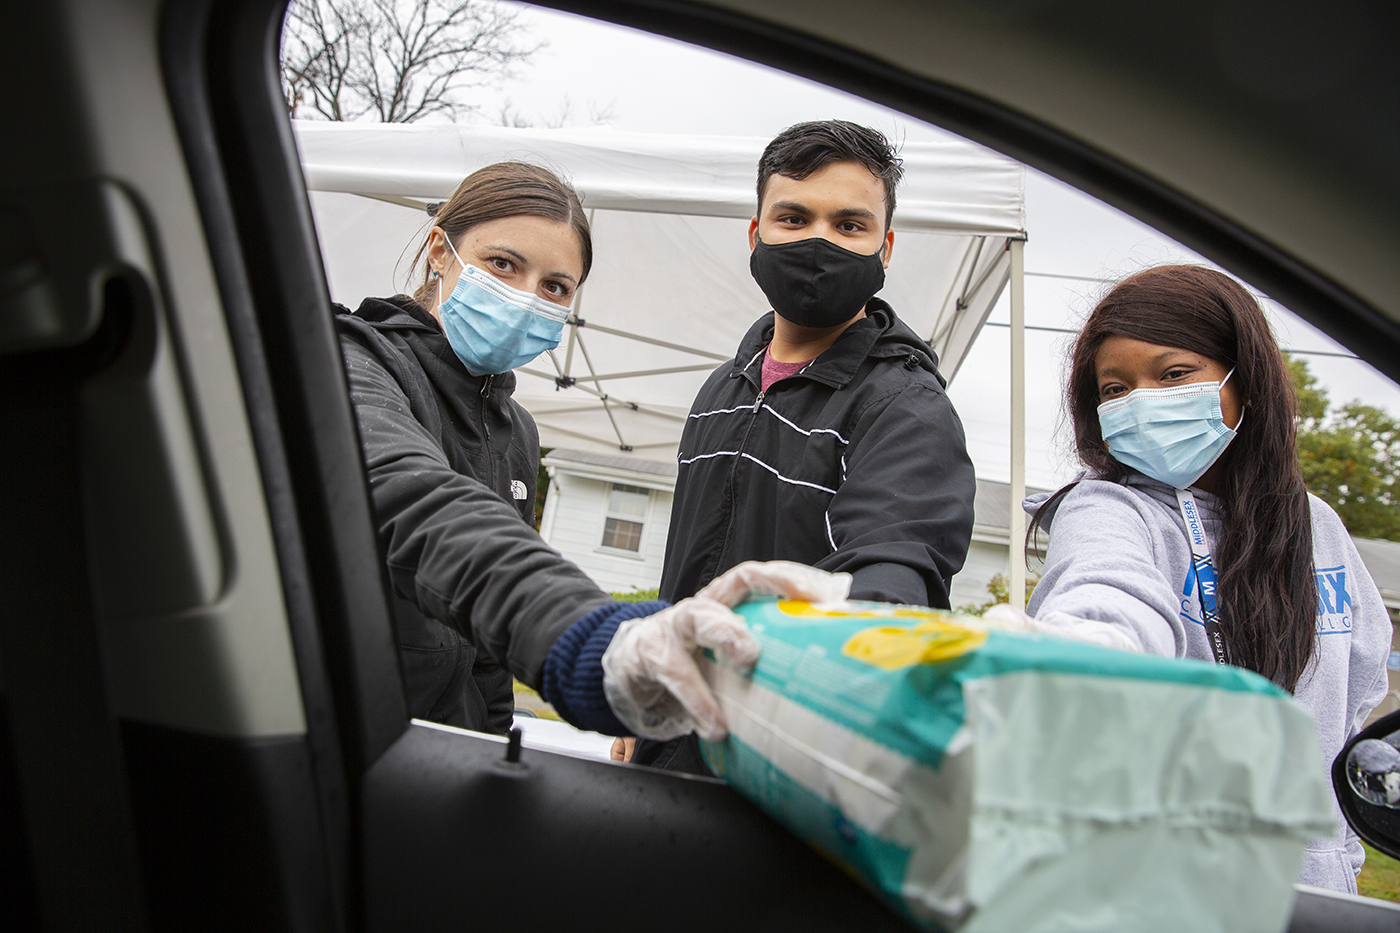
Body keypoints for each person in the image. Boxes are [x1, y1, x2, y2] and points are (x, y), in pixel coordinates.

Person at [334, 160, 850, 745]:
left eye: (555, 286)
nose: (526, 297)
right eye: (503, 264)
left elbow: (486, 657)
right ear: (438, 250)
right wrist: (595, 638)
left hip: (446, 756)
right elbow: (416, 505)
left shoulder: (516, 431)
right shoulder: (350, 365)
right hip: (345, 741)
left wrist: (496, 745)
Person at [1014, 264, 1391, 893]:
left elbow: (1356, 706)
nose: (1141, 402)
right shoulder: (1110, 508)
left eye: (1174, 375)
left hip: (1312, 896)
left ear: (1247, 379)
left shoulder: (1317, 526)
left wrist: (1339, 861)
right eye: (1114, 389)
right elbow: (1106, 593)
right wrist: (1081, 659)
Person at [630, 121, 978, 772]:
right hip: (671, 744)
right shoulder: (722, 387)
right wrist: (650, 704)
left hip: (786, 771)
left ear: (886, 246)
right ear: (756, 232)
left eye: (849, 225)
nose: (819, 242)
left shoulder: (904, 408)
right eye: (793, 217)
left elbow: (894, 588)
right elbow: (685, 571)